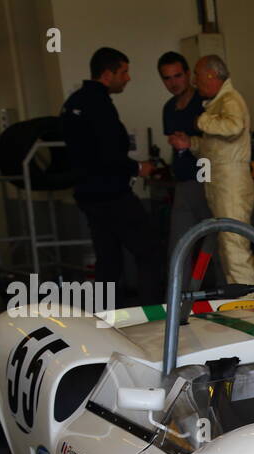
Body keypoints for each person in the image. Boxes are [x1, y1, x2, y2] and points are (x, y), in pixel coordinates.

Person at [61, 47, 165, 305]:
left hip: (87, 195)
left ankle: (108, 316)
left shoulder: (73, 103)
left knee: (108, 257)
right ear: (107, 74)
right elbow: (108, 153)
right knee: (150, 251)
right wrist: (139, 169)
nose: (128, 78)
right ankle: (153, 315)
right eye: (124, 72)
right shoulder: (100, 104)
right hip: (111, 194)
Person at [167, 55, 254, 287]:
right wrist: (190, 144)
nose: (195, 82)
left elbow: (233, 127)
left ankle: (249, 304)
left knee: (234, 246)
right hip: (220, 182)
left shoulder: (229, 100)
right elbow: (216, 146)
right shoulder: (218, 101)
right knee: (227, 247)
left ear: (210, 75)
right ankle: (240, 303)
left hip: (231, 184)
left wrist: (201, 121)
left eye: (196, 75)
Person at [158, 51, 219, 277]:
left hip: (208, 181)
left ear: (188, 74)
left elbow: (218, 143)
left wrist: (188, 144)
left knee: (218, 245)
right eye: (167, 78)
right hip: (183, 182)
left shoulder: (205, 104)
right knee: (179, 247)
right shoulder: (169, 108)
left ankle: (232, 300)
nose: (173, 83)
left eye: (177, 76)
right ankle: (177, 303)